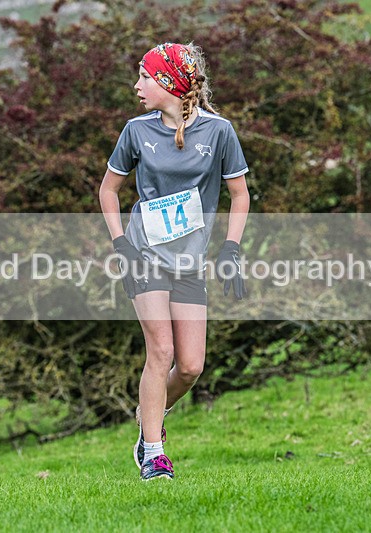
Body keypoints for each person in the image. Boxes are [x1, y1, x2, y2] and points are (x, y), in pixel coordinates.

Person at [99, 43, 250, 480]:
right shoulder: (135, 131)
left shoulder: (219, 131)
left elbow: (239, 195)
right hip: (145, 254)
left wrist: (231, 248)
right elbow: (108, 190)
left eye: (145, 77)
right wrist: (121, 244)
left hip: (189, 261)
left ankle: (149, 414)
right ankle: (152, 452)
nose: (137, 85)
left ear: (168, 82)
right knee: (160, 352)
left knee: (190, 367)